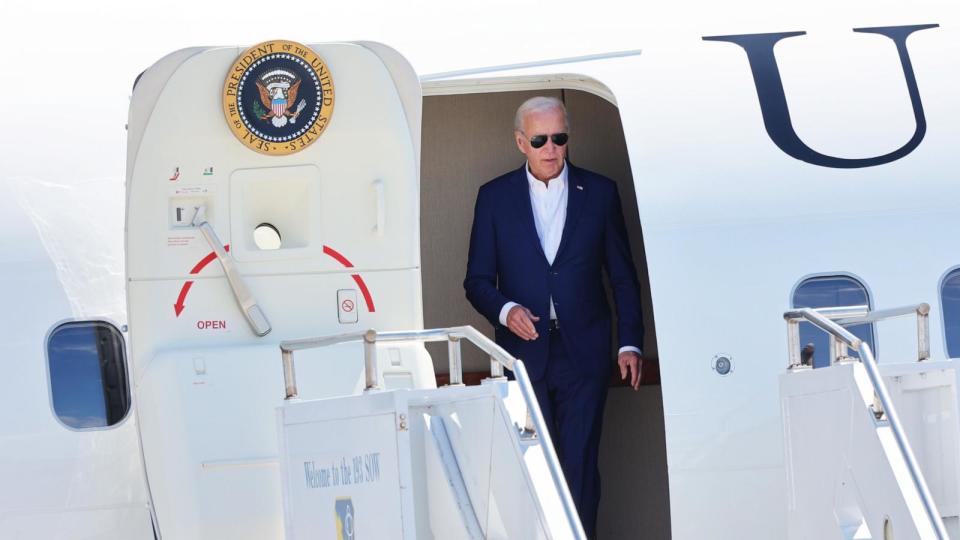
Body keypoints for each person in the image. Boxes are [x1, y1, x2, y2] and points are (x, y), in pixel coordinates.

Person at [463, 96, 645, 538]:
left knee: (580, 464)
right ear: (521, 142)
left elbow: (623, 274)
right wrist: (506, 312)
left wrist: (630, 342)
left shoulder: (600, 193)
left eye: (560, 138)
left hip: (584, 352)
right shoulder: (494, 197)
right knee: (531, 465)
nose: (551, 148)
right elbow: (477, 281)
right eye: (541, 139)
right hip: (523, 356)